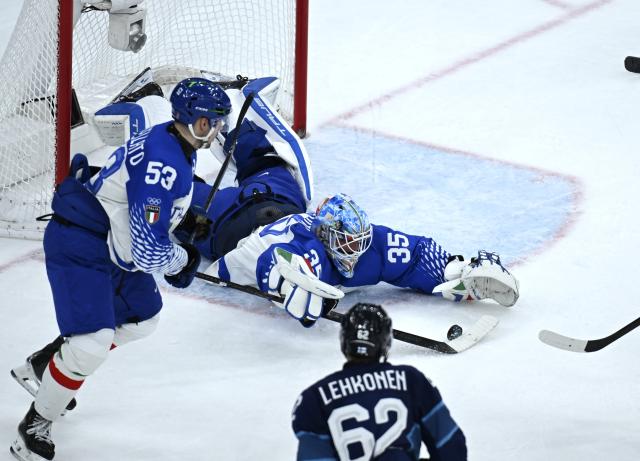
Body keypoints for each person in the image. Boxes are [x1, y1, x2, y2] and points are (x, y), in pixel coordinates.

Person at [9, 77, 232, 461]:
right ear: (191, 120)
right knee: (90, 344)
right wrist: (184, 260)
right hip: (81, 242)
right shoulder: (165, 159)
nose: (214, 131)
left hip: (110, 239)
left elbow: (143, 200)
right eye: (209, 123)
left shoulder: (170, 136)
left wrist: (183, 220)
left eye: (218, 123)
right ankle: (34, 425)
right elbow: (147, 252)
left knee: (144, 318)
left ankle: (47, 364)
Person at [203, 192, 520, 326]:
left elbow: (413, 253)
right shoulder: (306, 245)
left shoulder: (366, 244)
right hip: (226, 237)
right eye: (348, 243)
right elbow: (277, 260)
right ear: (327, 236)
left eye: (360, 242)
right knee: (190, 208)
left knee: (266, 167)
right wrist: (288, 281)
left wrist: (454, 270)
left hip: (277, 203)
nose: (356, 251)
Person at [291, 302, 468, 460]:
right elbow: (451, 445)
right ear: (385, 343)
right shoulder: (411, 380)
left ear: (344, 341)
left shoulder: (314, 398)